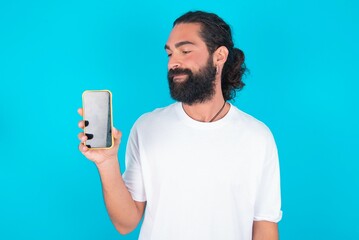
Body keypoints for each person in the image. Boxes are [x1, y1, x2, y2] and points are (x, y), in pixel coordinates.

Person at [78, 11, 282, 240]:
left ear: (219, 56)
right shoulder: (147, 127)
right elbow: (126, 223)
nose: (173, 62)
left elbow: (265, 226)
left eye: (185, 51)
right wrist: (107, 163)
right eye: (170, 53)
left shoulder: (257, 137)